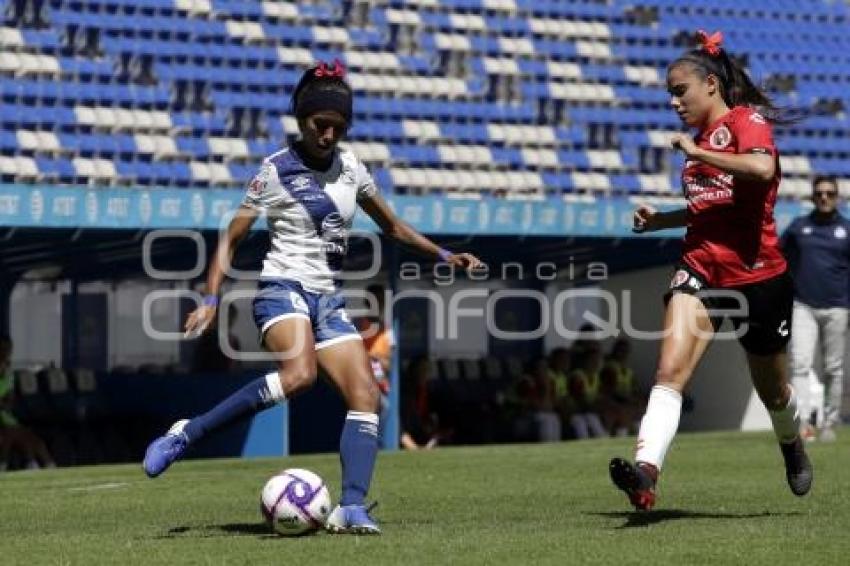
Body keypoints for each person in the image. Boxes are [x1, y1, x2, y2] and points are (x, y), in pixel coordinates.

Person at [141, 60, 482, 534]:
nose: (328, 134)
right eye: (320, 124)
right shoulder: (274, 171)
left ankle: (351, 508)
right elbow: (232, 237)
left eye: (337, 127)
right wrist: (212, 298)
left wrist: (444, 254)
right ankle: (187, 433)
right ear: (302, 119)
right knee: (298, 376)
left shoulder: (352, 169)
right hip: (280, 289)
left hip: (328, 300)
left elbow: (393, 226)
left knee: (367, 395)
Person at [609, 30, 812, 511]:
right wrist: (663, 218)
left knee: (772, 388)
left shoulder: (748, 122)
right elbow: (709, 206)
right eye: (669, 94)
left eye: (680, 91)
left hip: (758, 276)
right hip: (700, 267)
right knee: (669, 373)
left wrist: (699, 154)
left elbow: (761, 172)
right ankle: (646, 474)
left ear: (711, 86)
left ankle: (791, 445)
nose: (674, 102)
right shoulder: (700, 142)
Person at [781, 175, 850, 442]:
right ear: (812, 197)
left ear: (837, 197)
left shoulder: (847, 229)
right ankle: (803, 425)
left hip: (838, 307)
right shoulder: (799, 227)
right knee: (799, 364)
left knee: (834, 368)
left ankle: (830, 422)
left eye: (829, 193)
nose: (824, 197)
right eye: (819, 193)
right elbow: (779, 258)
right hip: (803, 306)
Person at [0, 336, 55, 470]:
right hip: (3, 420)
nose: (7, 351)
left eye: (8, 348)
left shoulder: (8, 371)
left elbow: (9, 399)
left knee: (34, 440)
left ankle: (49, 467)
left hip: (5, 416)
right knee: (10, 434)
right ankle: (4, 465)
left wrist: (6, 404)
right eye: (3, 348)